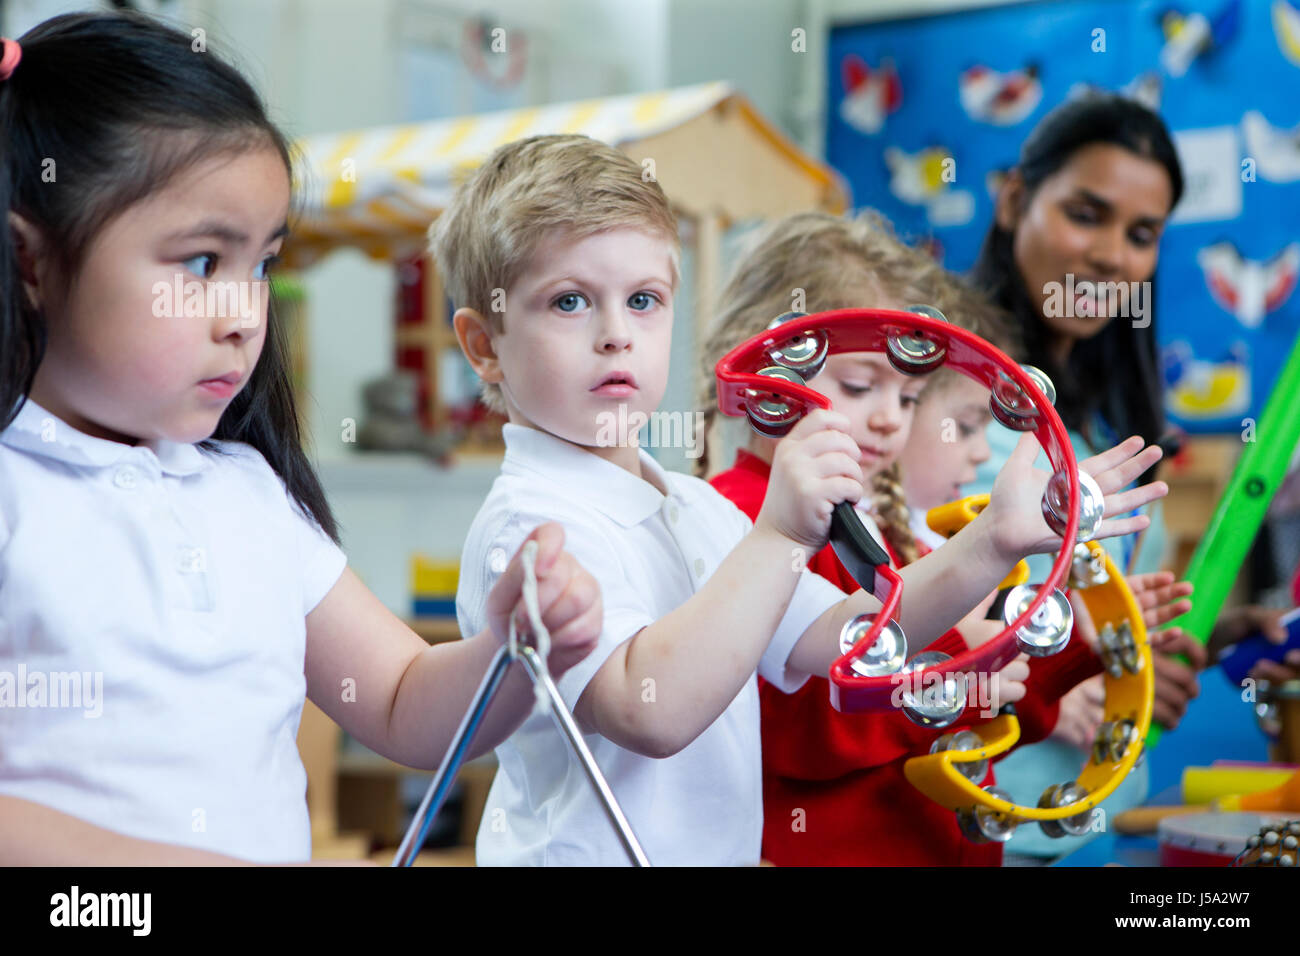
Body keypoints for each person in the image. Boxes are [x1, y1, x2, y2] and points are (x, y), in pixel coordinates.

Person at [437, 134, 1169, 865]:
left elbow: (858, 638)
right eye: (569, 301)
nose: (617, 335)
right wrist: (781, 538)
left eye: (643, 300)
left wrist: (995, 542)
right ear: (483, 344)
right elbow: (648, 708)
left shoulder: (694, 509)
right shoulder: (528, 523)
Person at [0, 11, 603, 865]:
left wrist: (507, 653)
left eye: (263, 266)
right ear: (32, 263)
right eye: (203, 263)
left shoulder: (248, 495)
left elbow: (401, 701)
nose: (248, 316)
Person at [700, 211, 1184, 864]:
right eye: (859, 386)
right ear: (759, 364)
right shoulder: (737, 521)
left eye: (906, 398)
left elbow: (969, 727)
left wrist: (1073, 650)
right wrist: (957, 656)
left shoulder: (887, 532)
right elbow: (793, 729)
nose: (885, 420)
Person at [967, 91, 1207, 860]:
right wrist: (1061, 676)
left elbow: (1105, 600)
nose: (1112, 254)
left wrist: (1200, 640)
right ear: (1013, 201)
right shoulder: (938, 398)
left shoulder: (1110, 423)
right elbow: (887, 609)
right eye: (1086, 213)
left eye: (1141, 234)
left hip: (1092, 827)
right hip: (979, 826)